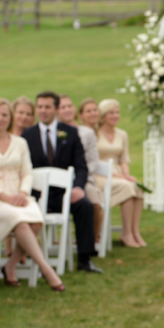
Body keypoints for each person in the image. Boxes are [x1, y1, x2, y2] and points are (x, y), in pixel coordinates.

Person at [0, 98, 65, 292]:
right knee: (20, 221)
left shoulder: (20, 143)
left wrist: (23, 193)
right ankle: (47, 270)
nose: (0, 118)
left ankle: (10, 265)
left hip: (20, 196)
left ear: (10, 118)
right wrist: (4, 197)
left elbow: (27, 172)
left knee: (36, 220)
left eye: (4, 115)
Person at [22, 91, 102, 274]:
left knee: (85, 206)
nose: (42, 111)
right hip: (38, 194)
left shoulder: (71, 133)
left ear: (56, 109)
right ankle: (25, 258)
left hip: (64, 193)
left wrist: (78, 188)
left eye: (47, 107)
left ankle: (85, 259)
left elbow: (81, 166)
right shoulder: (28, 135)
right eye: (40, 107)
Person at [95, 99, 145, 248]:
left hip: (118, 174)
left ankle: (135, 231)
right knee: (127, 187)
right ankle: (126, 233)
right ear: (103, 115)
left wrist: (126, 174)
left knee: (138, 187)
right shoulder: (95, 134)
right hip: (100, 176)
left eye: (117, 112)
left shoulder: (122, 134)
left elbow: (124, 159)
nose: (115, 115)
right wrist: (122, 178)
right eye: (111, 112)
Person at [58, 95, 104, 242]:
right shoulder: (54, 132)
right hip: (59, 180)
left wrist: (79, 176)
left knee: (94, 203)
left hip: (83, 179)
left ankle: (92, 240)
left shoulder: (87, 133)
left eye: (69, 106)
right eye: (62, 107)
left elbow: (93, 162)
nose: (67, 109)